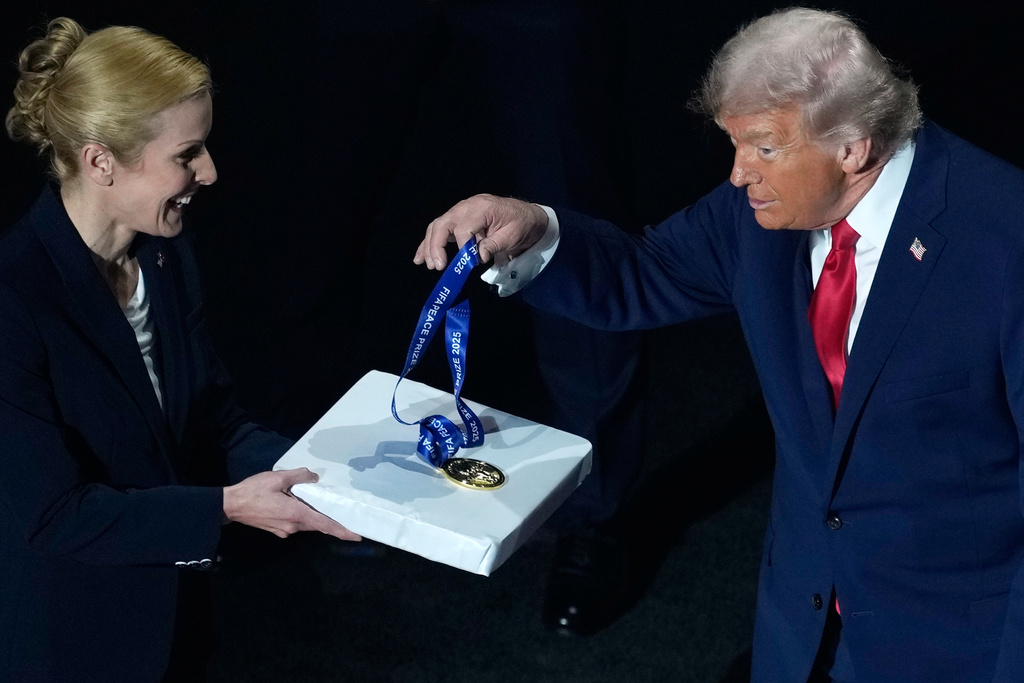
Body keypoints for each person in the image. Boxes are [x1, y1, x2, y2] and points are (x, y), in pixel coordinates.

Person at [414, 7, 1024, 683]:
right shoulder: (758, 213)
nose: (737, 175)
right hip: (800, 625)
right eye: (734, 145)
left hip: (954, 647)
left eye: (761, 147)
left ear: (852, 146)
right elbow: (645, 272)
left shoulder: (1006, 243)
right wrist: (534, 229)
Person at [0, 17, 360, 682]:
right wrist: (227, 505)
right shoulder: (14, 298)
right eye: (186, 154)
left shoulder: (168, 253)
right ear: (101, 160)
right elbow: (52, 517)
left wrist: (325, 478)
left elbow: (212, 421)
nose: (211, 171)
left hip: (175, 630)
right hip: (70, 646)